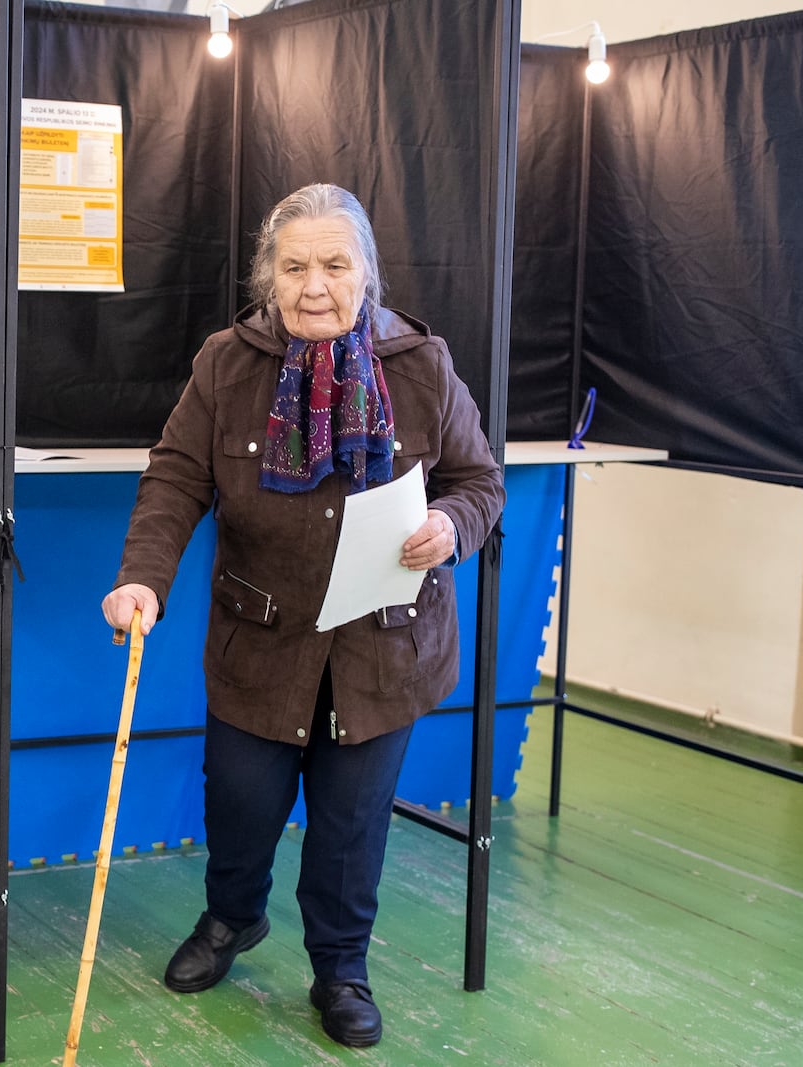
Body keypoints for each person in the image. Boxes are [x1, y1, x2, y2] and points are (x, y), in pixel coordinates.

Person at [101, 183, 502, 1048]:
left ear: (367, 272)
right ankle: (230, 920)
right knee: (240, 805)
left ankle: (340, 966)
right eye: (293, 267)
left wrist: (450, 525)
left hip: (383, 648)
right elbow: (175, 477)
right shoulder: (225, 363)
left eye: (333, 264)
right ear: (267, 277)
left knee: (351, 825)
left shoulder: (421, 366)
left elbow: (480, 480)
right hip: (262, 638)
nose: (314, 285)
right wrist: (144, 580)